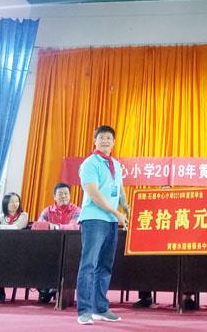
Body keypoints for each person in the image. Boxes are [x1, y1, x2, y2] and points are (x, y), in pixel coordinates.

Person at [76, 125, 127, 325]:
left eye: (109, 138)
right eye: (102, 138)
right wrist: (116, 212)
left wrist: (126, 206)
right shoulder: (89, 164)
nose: (105, 141)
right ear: (95, 141)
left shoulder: (116, 164)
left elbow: (119, 189)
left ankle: (100, 308)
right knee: (89, 264)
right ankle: (84, 311)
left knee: (105, 266)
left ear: (113, 142)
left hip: (112, 221)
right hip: (94, 219)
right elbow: (94, 194)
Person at [37, 182, 82, 303]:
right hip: (50, 247)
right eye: (60, 194)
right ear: (54, 197)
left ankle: (55, 289)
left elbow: (74, 227)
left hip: (71, 248)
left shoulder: (77, 210)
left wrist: (55, 227)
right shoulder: (47, 211)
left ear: (70, 196)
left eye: (66, 194)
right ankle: (45, 289)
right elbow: (40, 225)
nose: (63, 196)